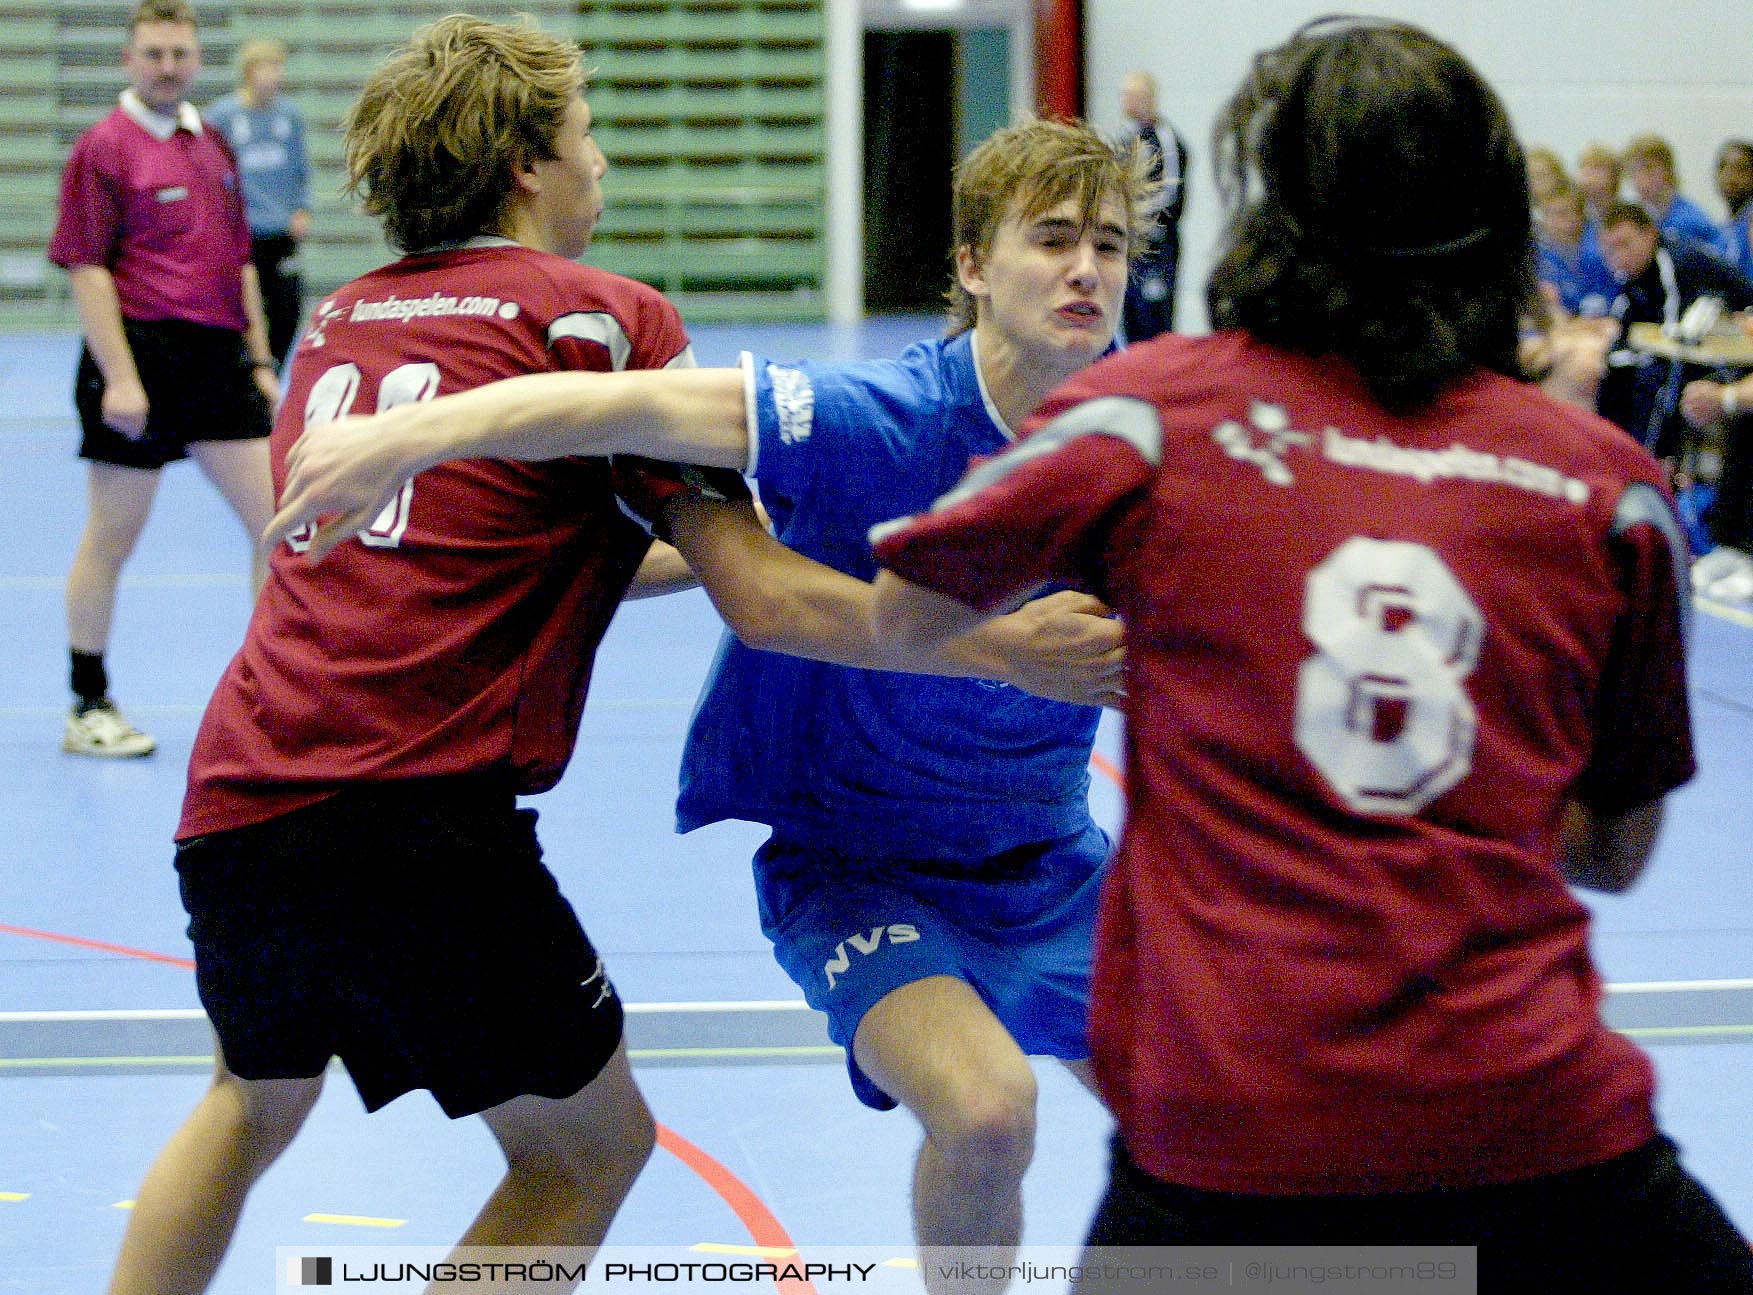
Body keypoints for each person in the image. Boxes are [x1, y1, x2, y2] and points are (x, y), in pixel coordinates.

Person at [113, 26, 1123, 1295]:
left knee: (246, 1102)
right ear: (532, 167)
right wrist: (995, 644)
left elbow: (503, 549)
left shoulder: (343, 318)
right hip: (417, 806)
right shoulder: (598, 319)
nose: (604, 162)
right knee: (590, 1150)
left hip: (242, 791)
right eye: (588, 135)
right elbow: (759, 598)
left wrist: (812, 538)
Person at [866, 17, 1753, 1293]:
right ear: (1498, 216)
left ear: (1267, 203)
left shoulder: (1148, 416)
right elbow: (1612, 850)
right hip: (1536, 1137)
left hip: (1228, 1148)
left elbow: (904, 604)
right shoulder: (1605, 489)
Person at [48, 0, 280, 759]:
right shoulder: (103, 148)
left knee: (277, 524)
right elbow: (87, 268)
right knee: (113, 537)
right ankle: (88, 703)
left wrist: (259, 360)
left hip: (217, 361)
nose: (168, 65)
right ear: (129, 59)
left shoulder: (210, 141)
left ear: (197, 59)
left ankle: (272, 697)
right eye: (153, 53)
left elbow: (239, 258)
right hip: (139, 357)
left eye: (179, 52)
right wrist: (121, 377)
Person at [1596, 200, 1753, 460]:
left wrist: (1627, 353)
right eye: (1610, 249)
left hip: (1731, 351)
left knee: (1657, 380)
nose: (1619, 256)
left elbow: (1674, 338)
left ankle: (1650, 461)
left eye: (1625, 244)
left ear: (1650, 234)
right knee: (1610, 372)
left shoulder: (1673, 262)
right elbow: (1622, 322)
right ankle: (1612, 456)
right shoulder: (1632, 273)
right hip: (1698, 345)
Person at [205, 37, 311, 368]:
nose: (276, 75)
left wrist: (303, 208)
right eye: (269, 67)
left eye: (279, 67)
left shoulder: (290, 116)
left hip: (280, 233)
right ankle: (245, 375)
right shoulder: (222, 116)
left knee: (287, 309)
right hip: (241, 236)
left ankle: (273, 375)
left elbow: (301, 167)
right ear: (250, 72)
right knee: (241, 310)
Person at [1114, 70, 1187, 343]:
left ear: (1148, 98)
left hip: (1158, 249)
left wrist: (1137, 213)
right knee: (1130, 319)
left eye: (1130, 95)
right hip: (1133, 247)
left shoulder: (1166, 138)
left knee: (1154, 320)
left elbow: (1171, 192)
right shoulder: (1126, 139)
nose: (1124, 102)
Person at [1623, 132, 1726, 258]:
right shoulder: (1641, 218)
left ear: (1668, 170)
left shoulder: (1690, 219)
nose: (1639, 178)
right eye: (1633, 171)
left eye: (1648, 168)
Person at [1714, 138, 1753, 279]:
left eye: (1740, 169)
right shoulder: (1723, 230)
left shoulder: (1750, 223)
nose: (1730, 176)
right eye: (1724, 167)